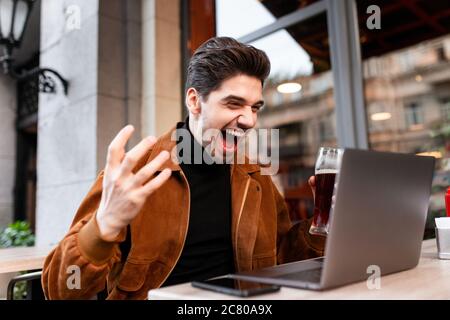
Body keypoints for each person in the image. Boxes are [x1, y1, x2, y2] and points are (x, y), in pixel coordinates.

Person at [42, 37, 325, 300]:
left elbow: (284, 256)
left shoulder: (256, 176)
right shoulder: (133, 177)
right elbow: (62, 290)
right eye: (234, 104)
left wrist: (324, 224)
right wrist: (103, 227)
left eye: (255, 108)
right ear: (194, 101)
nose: (249, 120)